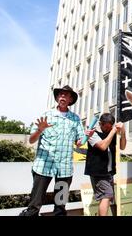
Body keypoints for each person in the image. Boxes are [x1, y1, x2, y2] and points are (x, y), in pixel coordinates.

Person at [19, 86, 85, 216]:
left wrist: (85, 137)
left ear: (70, 99)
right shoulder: (46, 115)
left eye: (66, 95)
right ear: (57, 97)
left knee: (60, 206)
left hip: (64, 168)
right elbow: (31, 140)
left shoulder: (75, 119)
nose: (63, 97)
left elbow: (79, 141)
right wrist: (40, 130)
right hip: (44, 167)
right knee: (34, 205)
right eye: (60, 94)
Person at [84, 113, 126, 216]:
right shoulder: (92, 133)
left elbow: (122, 147)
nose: (107, 129)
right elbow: (103, 146)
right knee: (107, 195)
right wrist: (112, 132)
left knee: (106, 197)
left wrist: (123, 132)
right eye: (105, 127)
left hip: (109, 171)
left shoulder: (112, 133)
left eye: (109, 127)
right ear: (100, 124)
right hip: (97, 171)